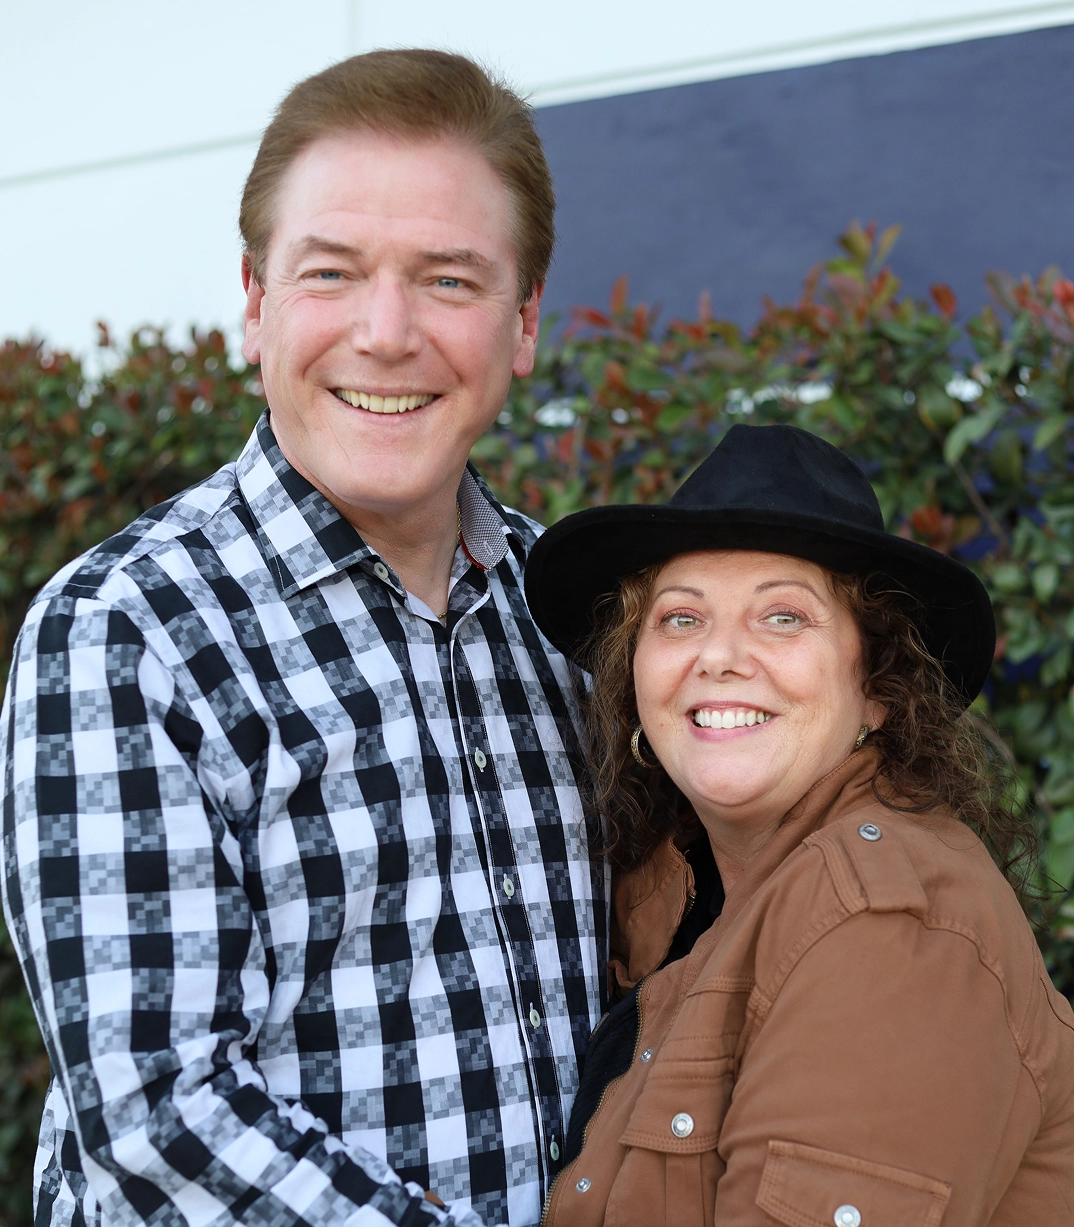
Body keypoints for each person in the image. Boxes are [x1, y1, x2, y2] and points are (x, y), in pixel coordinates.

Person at [0, 51, 605, 1227]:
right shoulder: (128, 633)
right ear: (255, 299)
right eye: (333, 272)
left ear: (524, 322)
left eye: (449, 280)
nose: (387, 334)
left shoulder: (571, 612)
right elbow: (163, 1120)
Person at [523, 423, 1074, 1226]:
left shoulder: (887, 929)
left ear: (878, 686)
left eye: (783, 616)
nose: (719, 656)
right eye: (680, 618)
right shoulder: (670, 886)